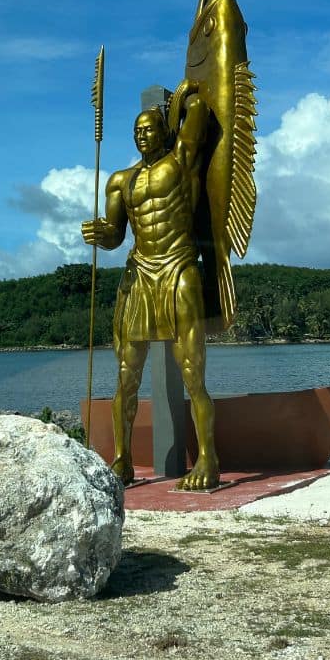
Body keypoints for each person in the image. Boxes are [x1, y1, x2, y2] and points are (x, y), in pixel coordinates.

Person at [81, 90, 219, 490]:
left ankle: (208, 460)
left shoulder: (182, 160)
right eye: (137, 131)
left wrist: (185, 94)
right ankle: (122, 460)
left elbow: (198, 111)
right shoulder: (121, 181)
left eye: (150, 128)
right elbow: (114, 236)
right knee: (126, 376)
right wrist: (100, 233)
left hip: (179, 267)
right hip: (140, 273)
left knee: (192, 372)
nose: (142, 136)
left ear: (165, 132)